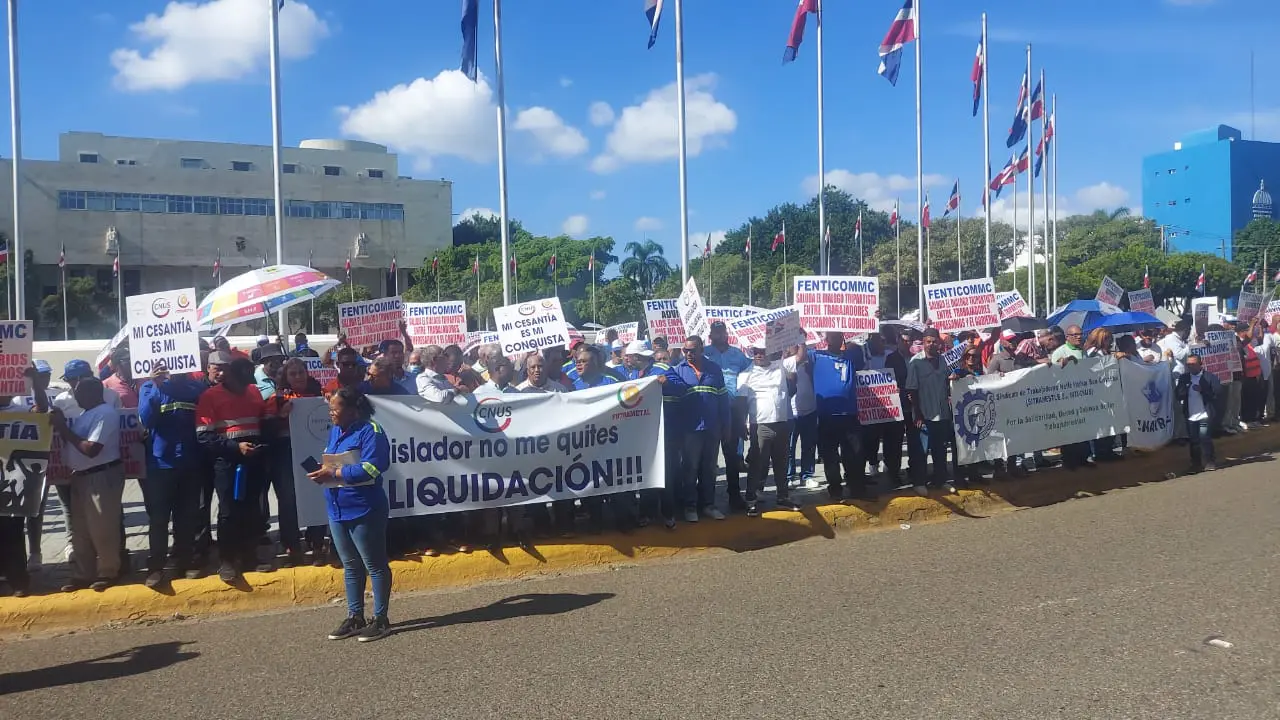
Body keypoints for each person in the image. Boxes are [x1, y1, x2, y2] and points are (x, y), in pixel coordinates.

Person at [306, 387, 393, 642]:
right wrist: (323, 471)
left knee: (374, 565)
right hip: (337, 508)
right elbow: (334, 462)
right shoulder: (336, 430)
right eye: (330, 407)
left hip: (365, 508)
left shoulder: (371, 431)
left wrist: (333, 474)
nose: (331, 412)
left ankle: (381, 619)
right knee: (351, 565)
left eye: (336, 407)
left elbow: (373, 468)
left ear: (354, 410)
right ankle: (356, 616)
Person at [197, 355, 269, 583]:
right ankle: (227, 560)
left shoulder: (254, 392)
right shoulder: (210, 396)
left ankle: (250, 556)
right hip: (227, 461)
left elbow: (261, 421)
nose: (250, 381)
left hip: (254, 458)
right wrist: (236, 447)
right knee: (228, 510)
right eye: (245, 376)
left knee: (251, 508)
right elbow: (204, 436)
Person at [138, 361, 207, 587]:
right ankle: (156, 566)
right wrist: (157, 385)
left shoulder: (197, 389)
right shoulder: (149, 388)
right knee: (158, 518)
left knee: (186, 516)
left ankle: (184, 561)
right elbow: (147, 419)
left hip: (191, 462)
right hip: (161, 464)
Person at [52, 377, 124, 592]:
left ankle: (108, 571)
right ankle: (83, 574)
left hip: (101, 475)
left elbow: (92, 449)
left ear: (94, 393)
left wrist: (63, 429)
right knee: (81, 531)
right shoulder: (85, 415)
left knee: (103, 528)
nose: (76, 397)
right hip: (81, 476)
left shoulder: (105, 413)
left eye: (79, 393)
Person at [264, 357, 325, 567]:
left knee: (316, 495)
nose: (298, 376)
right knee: (288, 500)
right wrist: (281, 415)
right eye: (293, 373)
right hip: (285, 454)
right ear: (286, 377)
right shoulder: (277, 398)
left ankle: (317, 543)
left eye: (301, 372)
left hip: (312, 454)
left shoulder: (321, 394)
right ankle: (292, 546)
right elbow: (266, 428)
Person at [665, 335, 730, 522]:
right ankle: (690, 507)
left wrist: (727, 426)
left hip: (712, 428)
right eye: (686, 350)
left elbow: (723, 401)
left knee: (709, 469)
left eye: (692, 350)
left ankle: (709, 505)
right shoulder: (677, 371)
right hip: (689, 429)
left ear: (702, 349)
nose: (688, 354)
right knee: (690, 468)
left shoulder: (714, 370)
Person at [808, 331, 870, 502]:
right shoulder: (816, 356)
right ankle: (835, 489)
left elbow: (862, 347)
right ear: (826, 339)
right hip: (827, 415)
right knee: (830, 456)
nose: (834, 339)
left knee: (855, 454)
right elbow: (797, 355)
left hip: (849, 414)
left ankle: (856, 488)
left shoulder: (851, 356)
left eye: (838, 336)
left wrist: (871, 321)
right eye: (831, 337)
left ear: (843, 338)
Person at [739, 343, 799, 516]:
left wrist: (799, 337)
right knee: (758, 464)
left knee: (781, 463)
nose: (758, 355)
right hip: (760, 425)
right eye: (755, 352)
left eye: (762, 351)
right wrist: (741, 424)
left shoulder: (780, 367)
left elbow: (799, 358)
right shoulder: (745, 375)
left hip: (781, 423)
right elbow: (740, 403)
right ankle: (751, 500)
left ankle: (782, 497)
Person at [704, 321, 753, 511]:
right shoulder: (704, 353)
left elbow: (751, 373)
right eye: (715, 332)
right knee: (708, 458)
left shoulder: (737, 355)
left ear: (726, 334)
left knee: (731, 457)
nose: (718, 335)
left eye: (721, 332)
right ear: (710, 334)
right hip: (710, 411)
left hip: (732, 411)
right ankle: (706, 498)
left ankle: (734, 495)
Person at [905, 328, 957, 494]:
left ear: (939, 343)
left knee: (940, 449)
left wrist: (955, 377)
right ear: (923, 342)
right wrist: (917, 413)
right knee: (921, 450)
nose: (931, 344)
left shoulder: (943, 361)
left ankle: (940, 480)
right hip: (924, 414)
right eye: (928, 341)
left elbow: (948, 380)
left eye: (934, 341)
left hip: (941, 413)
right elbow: (911, 390)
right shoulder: (915, 362)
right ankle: (919, 482)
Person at [861, 331, 908, 490]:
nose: (881, 344)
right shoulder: (865, 356)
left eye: (882, 341)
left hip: (892, 403)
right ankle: (873, 463)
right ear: (870, 343)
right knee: (872, 438)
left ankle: (892, 468)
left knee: (893, 439)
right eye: (877, 342)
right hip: (872, 405)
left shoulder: (890, 355)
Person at [1177, 354, 1219, 473]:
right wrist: (1184, 389)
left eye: (1193, 364)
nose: (1190, 366)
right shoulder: (1184, 378)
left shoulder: (1209, 377)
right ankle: (1196, 464)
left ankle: (1210, 461)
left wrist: (1203, 391)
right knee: (1194, 439)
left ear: (1200, 364)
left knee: (1204, 437)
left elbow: (1216, 394)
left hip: (1204, 414)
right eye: (1188, 364)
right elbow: (1178, 394)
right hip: (1191, 415)